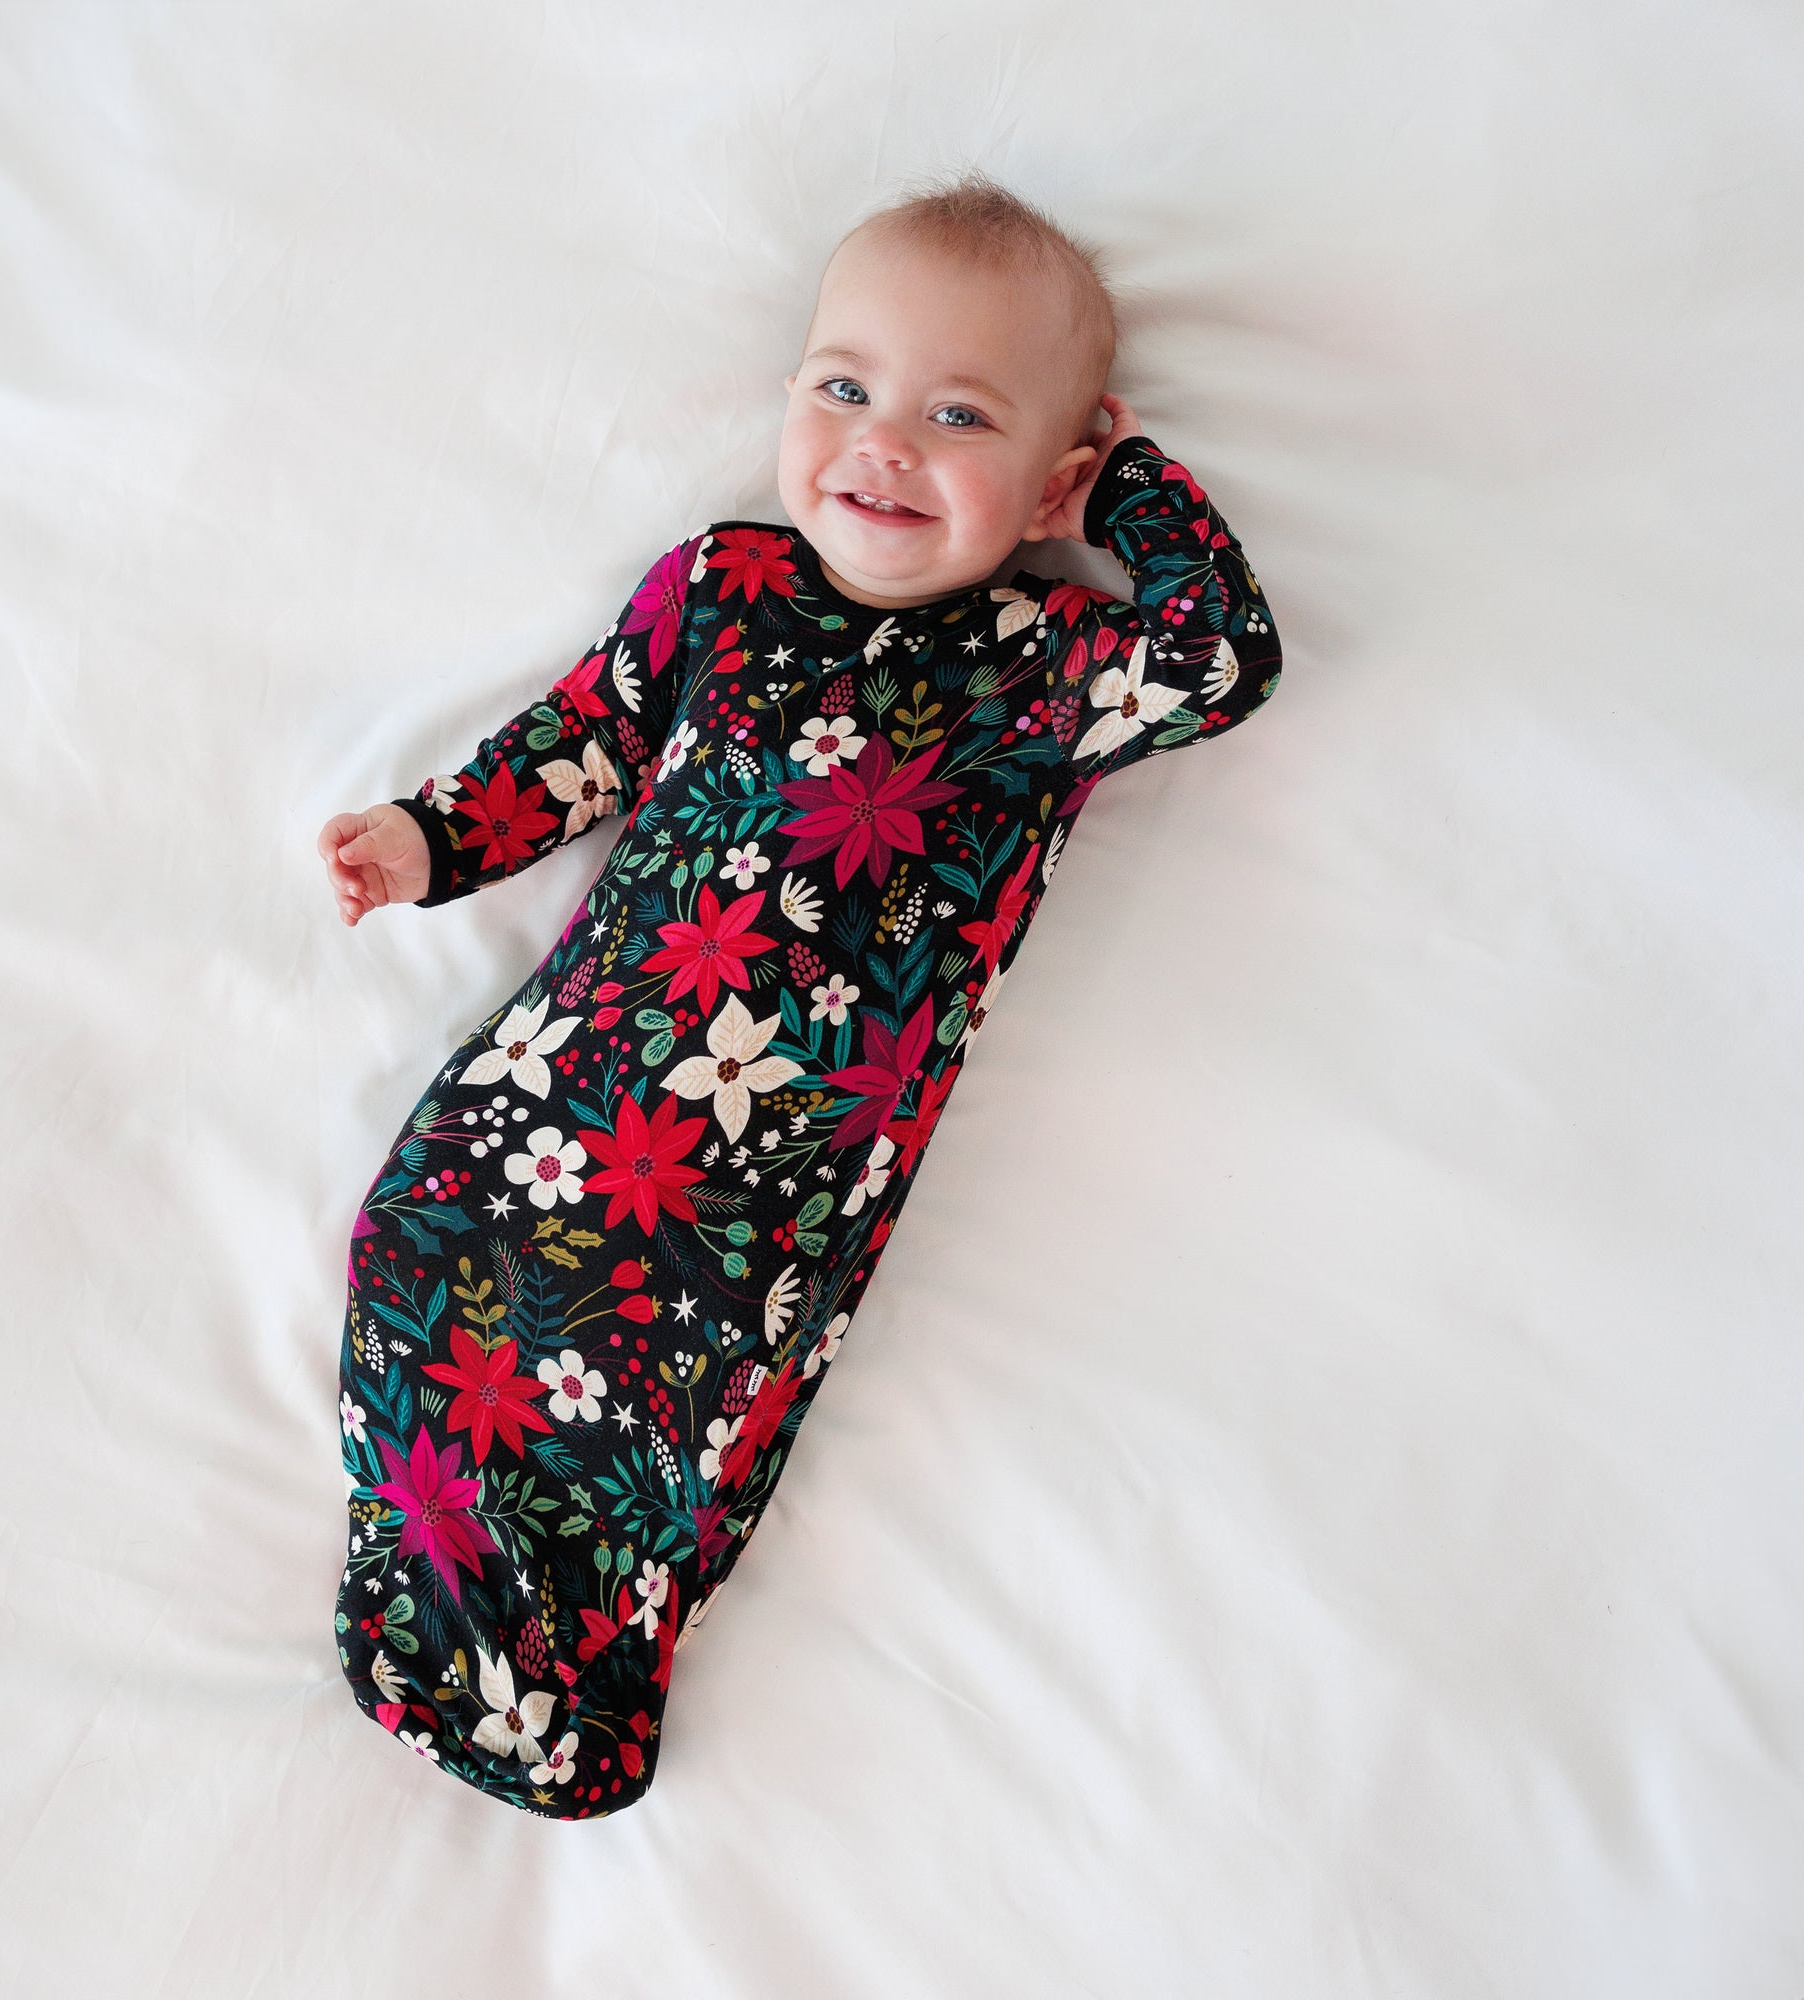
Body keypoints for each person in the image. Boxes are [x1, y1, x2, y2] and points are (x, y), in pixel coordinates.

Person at [317, 168, 1283, 1819]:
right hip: (557, 1093)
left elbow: (1224, 655)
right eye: (845, 388)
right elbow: (583, 742)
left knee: (673, 1408)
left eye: (958, 415)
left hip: (766, 1181)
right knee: (420, 1257)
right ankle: (415, 1588)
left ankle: (582, 1684)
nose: (884, 441)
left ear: (1053, 474)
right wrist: (427, 839)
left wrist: (1129, 493)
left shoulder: (1051, 668)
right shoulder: (720, 592)